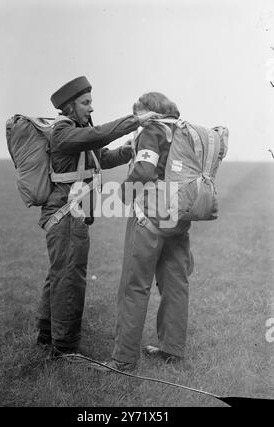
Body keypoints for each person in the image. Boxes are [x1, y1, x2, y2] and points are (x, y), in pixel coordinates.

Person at [37, 76, 160, 357]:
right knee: (70, 278)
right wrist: (135, 120)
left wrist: (125, 152)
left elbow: (99, 156)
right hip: (66, 216)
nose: (91, 108)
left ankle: (46, 334)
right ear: (69, 107)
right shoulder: (63, 132)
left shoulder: (76, 132)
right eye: (85, 103)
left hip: (70, 216)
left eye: (91, 102)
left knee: (59, 274)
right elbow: (97, 136)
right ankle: (65, 348)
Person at [95, 92, 194, 372]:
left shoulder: (152, 131)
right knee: (175, 283)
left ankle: (123, 359)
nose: (138, 122)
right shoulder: (182, 132)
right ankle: (172, 350)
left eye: (139, 115)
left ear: (150, 112)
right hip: (178, 217)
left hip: (149, 214)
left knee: (134, 286)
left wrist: (124, 195)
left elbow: (143, 170)